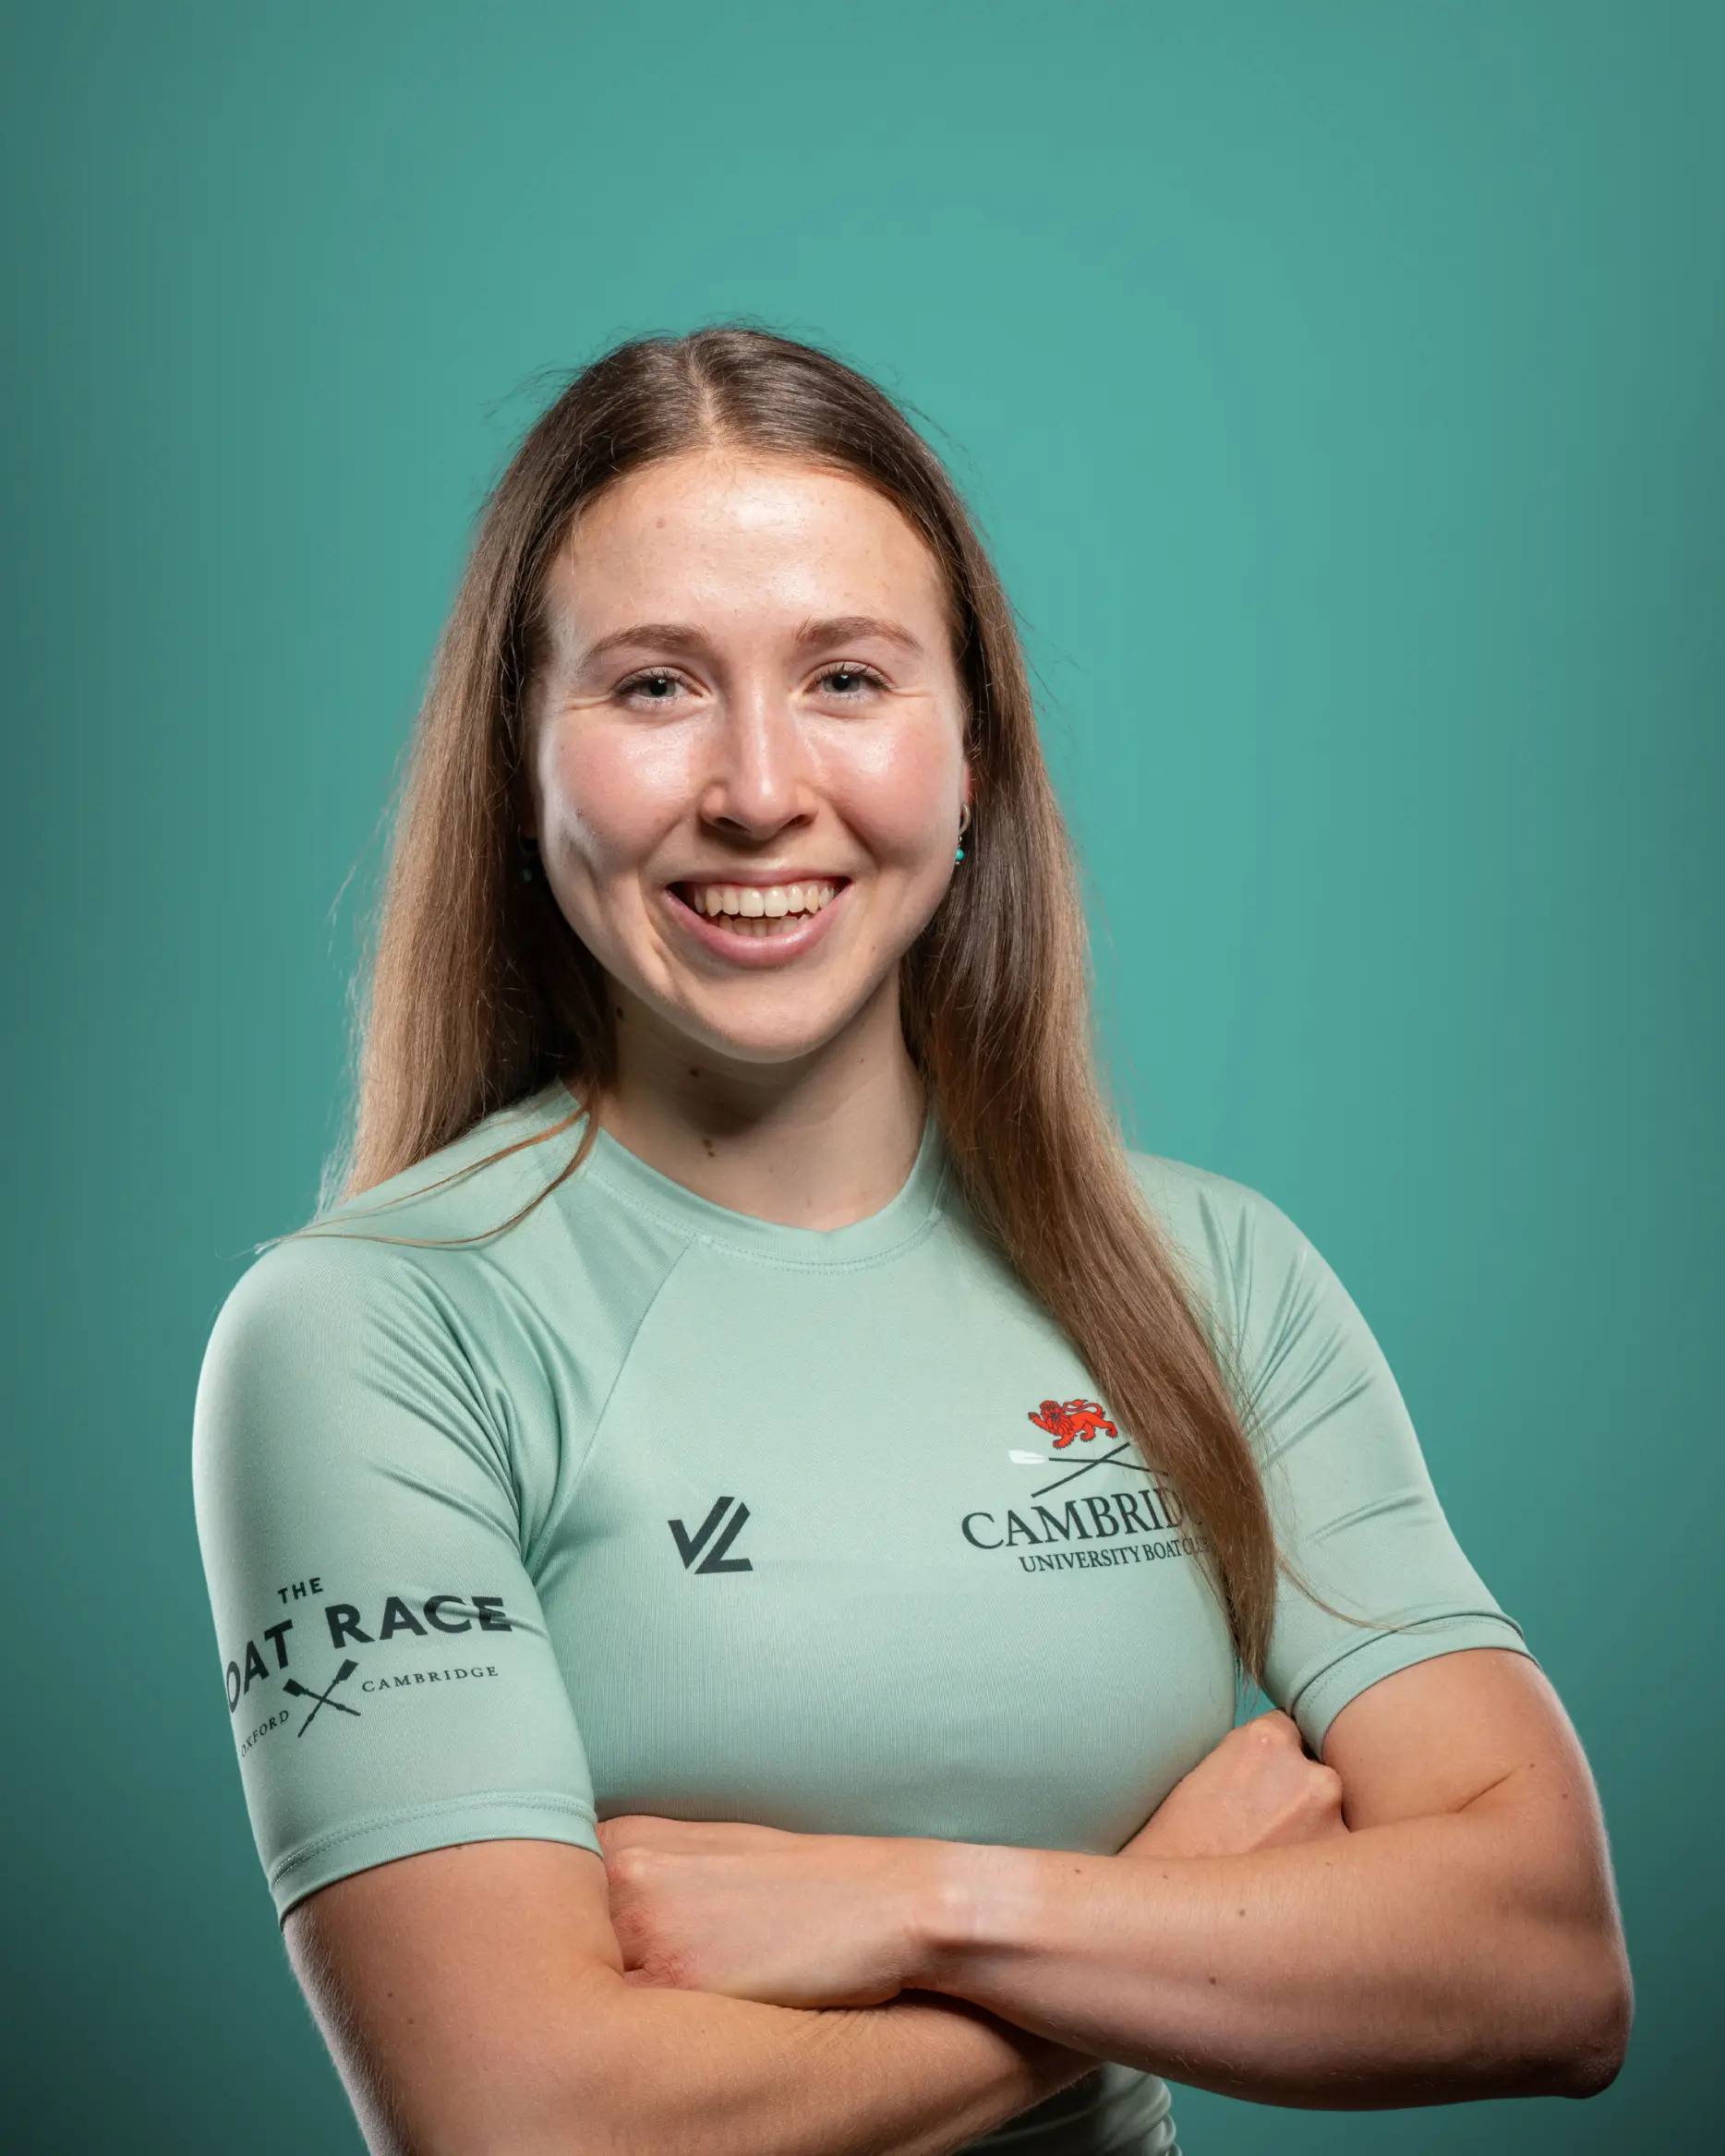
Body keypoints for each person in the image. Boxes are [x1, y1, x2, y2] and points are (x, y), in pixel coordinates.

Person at [192, 326, 1631, 2156]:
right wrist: (1139, 1952)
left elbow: (1546, 1962)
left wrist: (938, 1906)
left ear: (973, 758)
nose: (759, 787)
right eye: (651, 688)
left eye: (847, 678)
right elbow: (524, 2127)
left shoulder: (1212, 1278)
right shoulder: (371, 1331)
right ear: (523, 765)